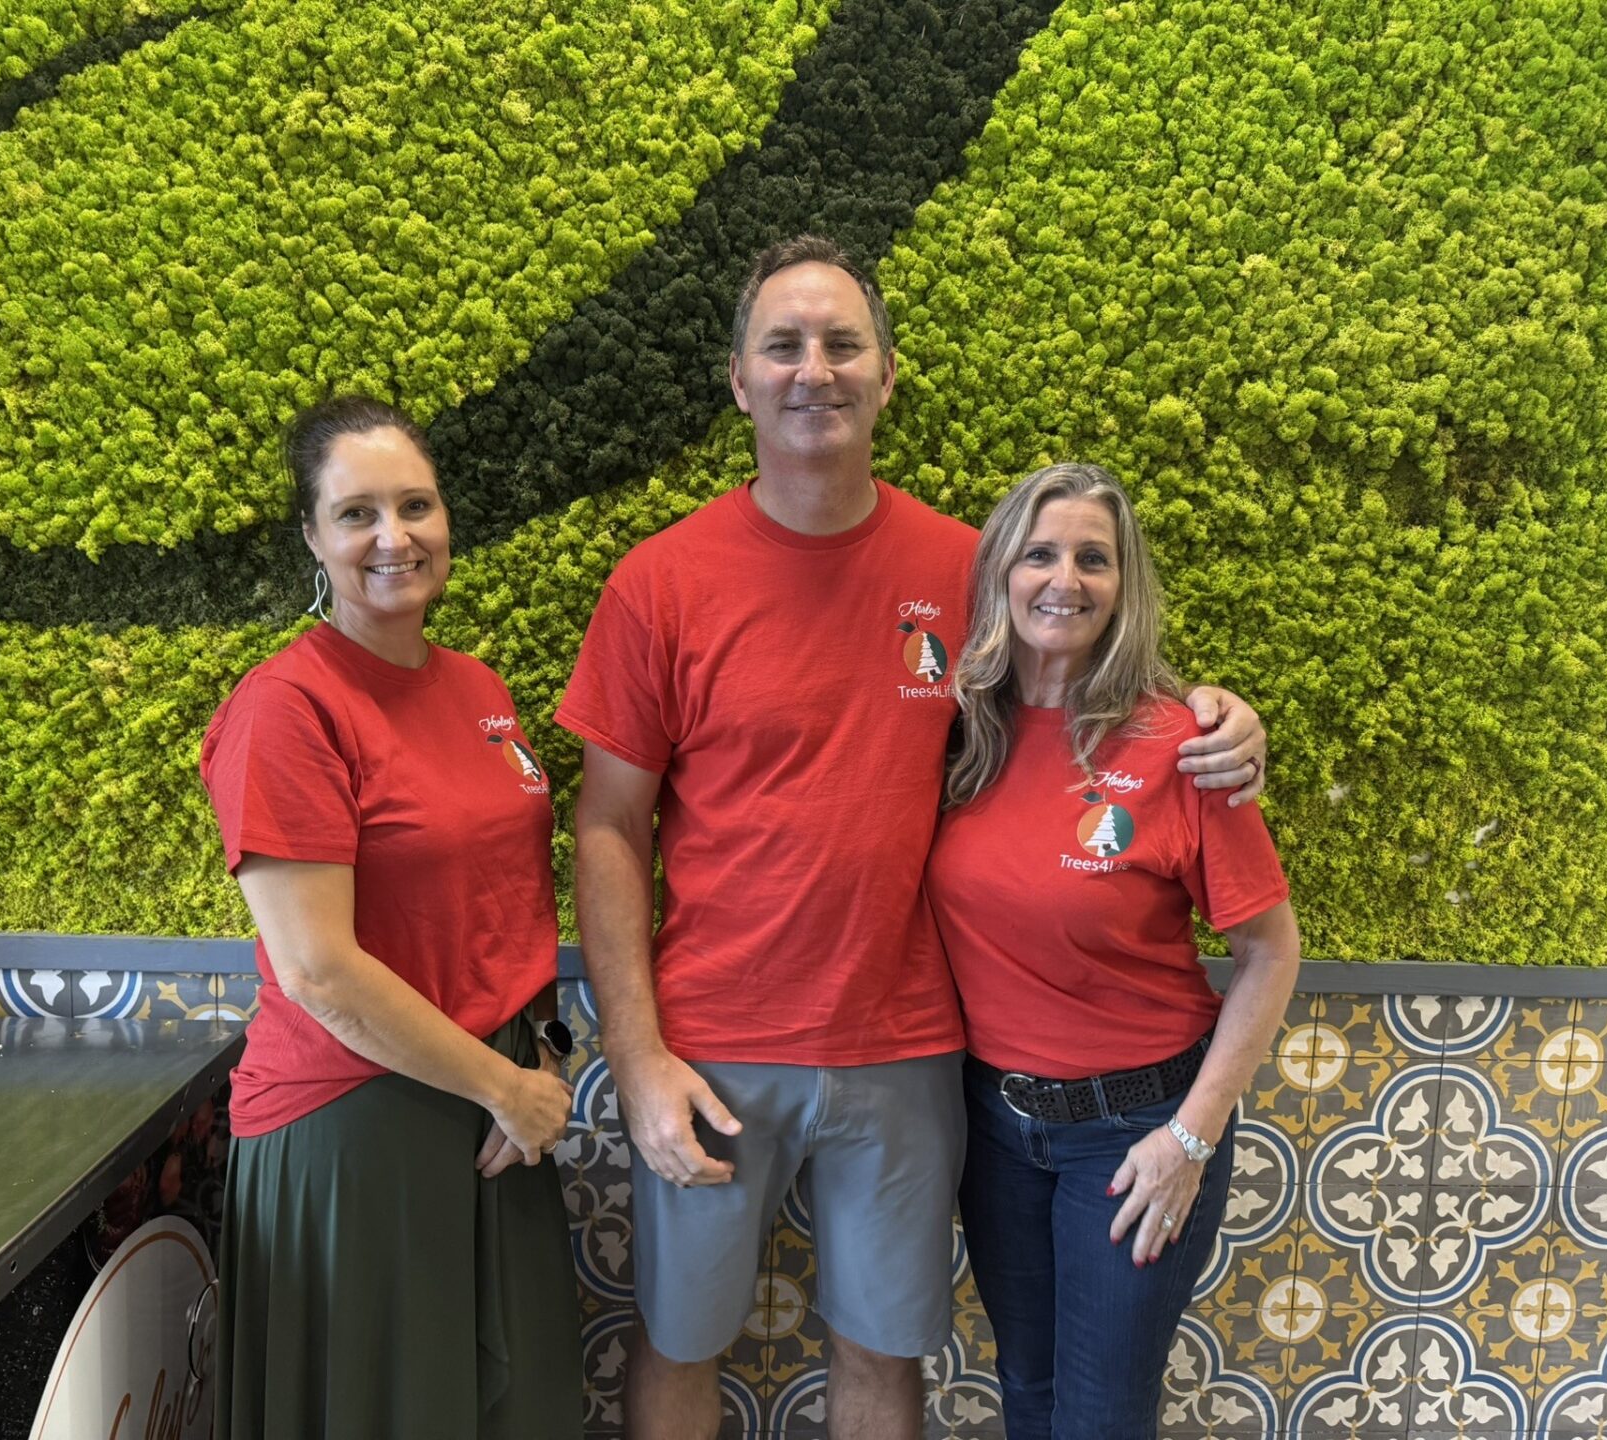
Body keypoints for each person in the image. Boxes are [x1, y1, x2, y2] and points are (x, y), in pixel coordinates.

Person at [556, 236, 1270, 1440]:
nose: (813, 370)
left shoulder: (968, 569)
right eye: (783, 345)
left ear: (888, 374)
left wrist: (1215, 717)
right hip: (713, 1045)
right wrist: (636, 1058)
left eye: (843, 345)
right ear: (739, 380)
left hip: (911, 1051)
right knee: (678, 1342)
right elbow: (609, 826)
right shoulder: (659, 583)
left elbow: (1077, 680)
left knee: (883, 1355)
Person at [199, 395, 582, 1440]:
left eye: (415, 505)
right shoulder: (288, 708)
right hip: (360, 1122)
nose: (393, 537)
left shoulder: (476, 688)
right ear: (313, 540)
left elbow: (505, 904)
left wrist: (541, 1058)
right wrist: (506, 1087)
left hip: (499, 1113)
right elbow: (320, 970)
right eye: (357, 513)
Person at [926, 462, 1301, 1439]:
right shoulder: (961, 735)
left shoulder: (1182, 744)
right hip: (997, 1128)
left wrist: (1191, 1138)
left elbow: (1268, 951)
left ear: (1124, 585)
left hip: (1136, 1134)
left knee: (1099, 1417)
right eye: (1041, 553)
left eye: (1095, 559)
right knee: (1029, 1392)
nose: (1066, 579)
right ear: (1002, 572)